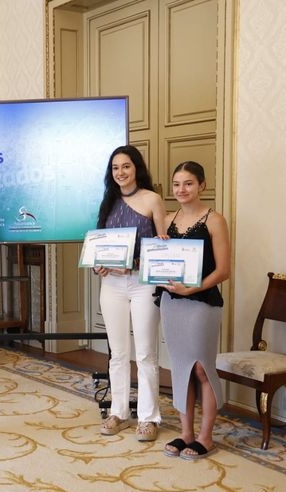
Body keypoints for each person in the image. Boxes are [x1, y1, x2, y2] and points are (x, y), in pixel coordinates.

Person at [158, 161, 230, 460]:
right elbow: (160, 262)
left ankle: (206, 436)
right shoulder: (165, 219)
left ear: (202, 185)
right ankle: (186, 433)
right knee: (181, 368)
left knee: (201, 366)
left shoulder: (215, 220)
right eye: (176, 184)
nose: (181, 190)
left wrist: (193, 287)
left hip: (202, 302)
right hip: (172, 302)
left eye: (188, 183)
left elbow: (224, 270)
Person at [94, 145, 166, 442]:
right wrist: (100, 266)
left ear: (136, 168)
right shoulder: (107, 202)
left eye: (125, 166)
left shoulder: (152, 200)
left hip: (142, 284)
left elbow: (163, 249)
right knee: (118, 354)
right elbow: (100, 245)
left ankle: (149, 418)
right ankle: (119, 412)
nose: (120, 172)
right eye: (115, 168)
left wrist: (133, 264)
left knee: (146, 352)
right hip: (110, 285)